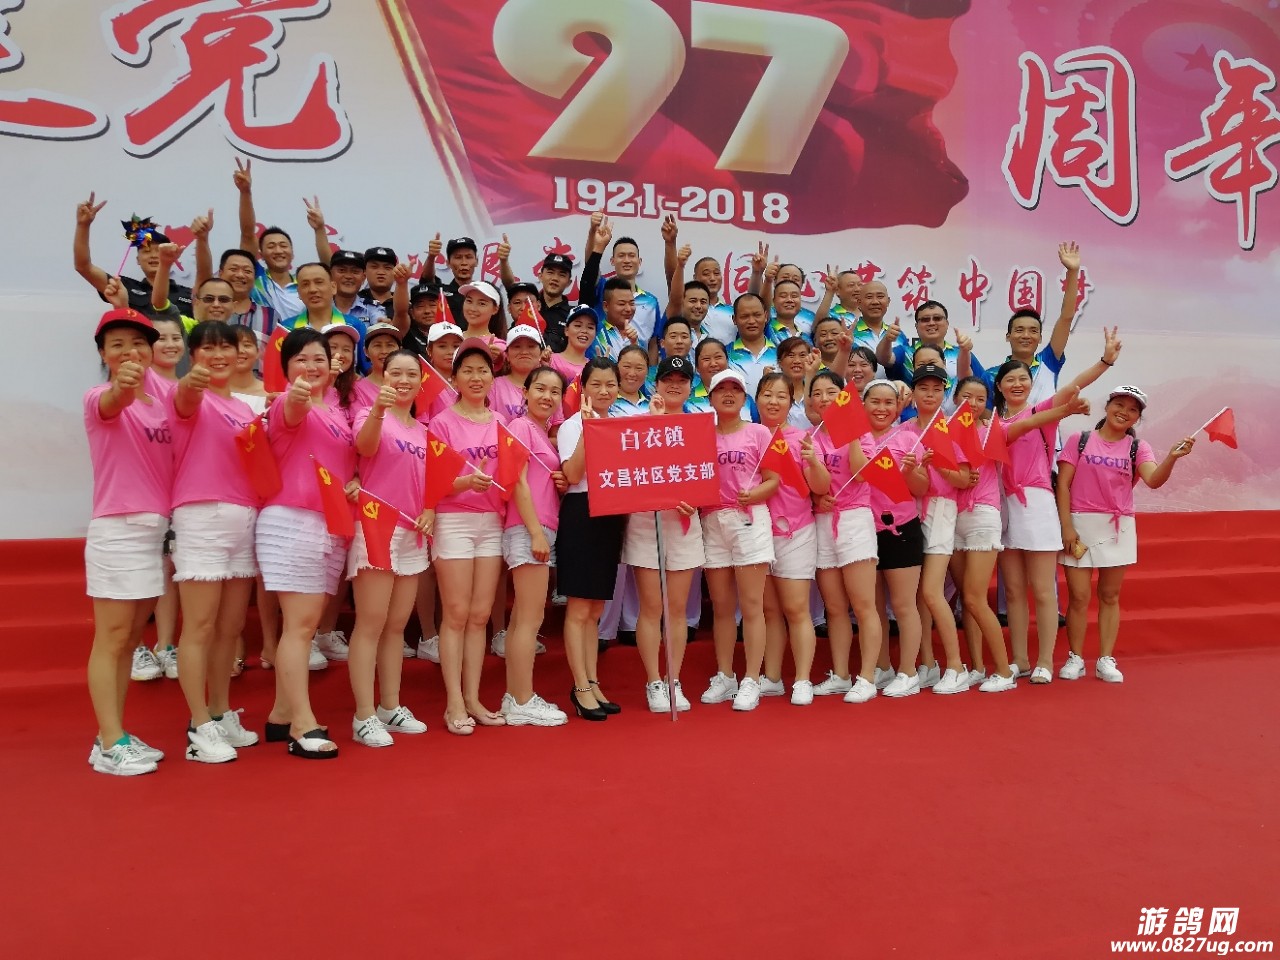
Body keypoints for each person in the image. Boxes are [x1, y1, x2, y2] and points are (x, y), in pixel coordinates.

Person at [996, 327, 1119, 683]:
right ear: (999, 387)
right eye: (1010, 380)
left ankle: (1045, 661)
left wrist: (1105, 361)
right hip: (1005, 505)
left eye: (1023, 379)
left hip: (1036, 504)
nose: (1017, 384)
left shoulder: (1042, 412)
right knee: (1013, 591)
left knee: (1042, 589)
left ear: (1031, 384)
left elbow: (1075, 385)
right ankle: (1020, 658)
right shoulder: (994, 423)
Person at [257, 328, 354, 758]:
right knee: (299, 626)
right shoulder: (286, 403)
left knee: (305, 624)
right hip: (292, 521)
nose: (312, 367)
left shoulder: (335, 411)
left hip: (328, 523)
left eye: (319, 359)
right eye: (302, 359)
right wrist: (296, 393)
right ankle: (302, 723)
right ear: (287, 367)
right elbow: (293, 408)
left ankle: (281, 714)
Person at [168, 321, 261, 761]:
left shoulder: (243, 408)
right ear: (193, 354)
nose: (220, 355)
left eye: (227, 346)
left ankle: (221, 713)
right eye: (208, 348)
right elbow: (186, 395)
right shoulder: (189, 395)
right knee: (200, 625)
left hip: (244, 516)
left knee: (231, 626)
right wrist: (192, 379)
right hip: (202, 514)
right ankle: (198, 723)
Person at [83, 308, 171, 775]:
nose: (130, 352)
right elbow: (114, 399)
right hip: (118, 528)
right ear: (104, 354)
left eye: (138, 343)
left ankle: (112, 733)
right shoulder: (99, 397)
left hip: (156, 532)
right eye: (117, 345)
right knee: (113, 637)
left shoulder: (162, 401)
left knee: (133, 637)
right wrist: (123, 386)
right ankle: (109, 741)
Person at [1057, 387, 1195, 683]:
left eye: (1133, 410)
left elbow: (1153, 480)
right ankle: (1075, 657)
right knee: (1079, 597)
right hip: (1080, 524)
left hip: (1118, 527)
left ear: (1137, 417)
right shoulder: (1080, 440)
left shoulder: (1137, 448)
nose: (1124, 412)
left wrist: (1172, 458)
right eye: (1119, 405)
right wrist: (1066, 525)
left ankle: (1105, 659)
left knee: (1109, 595)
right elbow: (1063, 485)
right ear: (1107, 407)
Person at [345, 349, 433, 746]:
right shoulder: (369, 413)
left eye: (411, 374)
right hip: (376, 525)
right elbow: (364, 449)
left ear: (421, 382)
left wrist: (430, 510)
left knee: (397, 625)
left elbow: (431, 483)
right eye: (395, 372)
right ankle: (363, 715)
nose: (403, 380)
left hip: (412, 531)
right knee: (371, 622)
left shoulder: (424, 431)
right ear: (383, 377)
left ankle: (389, 706)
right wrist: (379, 411)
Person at [430, 339, 507, 734]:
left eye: (483, 370)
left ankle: (474, 698)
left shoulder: (501, 422)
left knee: (480, 616)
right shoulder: (442, 422)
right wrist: (464, 482)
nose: (476, 377)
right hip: (454, 521)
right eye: (468, 370)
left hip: (491, 523)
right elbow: (431, 482)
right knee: (457, 613)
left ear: (492, 377)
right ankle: (454, 702)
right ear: (455, 378)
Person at [699, 371, 779, 711]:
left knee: (751, 605)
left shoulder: (758, 432)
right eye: (721, 389)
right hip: (712, 520)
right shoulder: (701, 435)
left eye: (735, 389)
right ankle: (725, 675)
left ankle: (751, 679)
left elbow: (773, 480)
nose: (728, 394)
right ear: (710, 397)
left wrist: (754, 494)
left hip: (748, 519)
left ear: (744, 398)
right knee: (721, 605)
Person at [557, 358, 628, 719]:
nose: (603, 391)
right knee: (579, 607)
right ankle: (580, 686)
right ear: (583, 388)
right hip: (581, 513)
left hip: (610, 515)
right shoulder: (571, 426)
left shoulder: (619, 425)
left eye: (610, 384)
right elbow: (571, 473)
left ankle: (593, 680)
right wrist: (587, 429)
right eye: (596, 384)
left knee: (596, 608)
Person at [807, 372, 884, 701]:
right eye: (818, 393)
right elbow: (814, 483)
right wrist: (817, 497)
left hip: (854, 521)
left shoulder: (862, 432)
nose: (824, 398)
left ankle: (867, 677)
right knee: (835, 607)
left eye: (831, 392)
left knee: (863, 605)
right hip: (823, 523)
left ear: (843, 397)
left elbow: (862, 473)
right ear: (811, 401)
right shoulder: (811, 437)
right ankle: (840, 674)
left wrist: (851, 433)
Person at [501, 367, 571, 725]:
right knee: (530, 619)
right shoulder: (520, 426)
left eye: (555, 391)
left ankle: (515, 696)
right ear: (525, 393)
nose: (547, 396)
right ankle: (522, 699)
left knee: (522, 619)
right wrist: (534, 533)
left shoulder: (540, 433)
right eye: (540, 389)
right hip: (529, 527)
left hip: (540, 526)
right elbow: (518, 483)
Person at [903, 363, 973, 694]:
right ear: (913, 392)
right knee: (919, 594)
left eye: (936, 389)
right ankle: (928, 664)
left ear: (944, 394)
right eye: (923, 388)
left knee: (932, 591)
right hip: (908, 511)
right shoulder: (903, 430)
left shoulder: (950, 429)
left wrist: (940, 467)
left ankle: (956, 666)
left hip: (941, 510)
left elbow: (963, 480)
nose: (929, 395)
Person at [755, 373, 824, 704]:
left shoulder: (802, 439)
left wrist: (812, 461)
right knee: (769, 610)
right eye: (767, 394)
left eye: (781, 396)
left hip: (795, 530)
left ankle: (802, 679)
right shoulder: (749, 436)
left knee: (796, 608)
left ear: (791, 402)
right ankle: (772, 677)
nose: (773, 402)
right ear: (756, 399)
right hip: (756, 533)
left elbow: (820, 487)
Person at [862, 379, 931, 697]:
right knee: (872, 606)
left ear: (898, 406)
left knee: (904, 605)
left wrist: (909, 472)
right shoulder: (854, 440)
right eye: (874, 401)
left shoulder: (908, 438)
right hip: (863, 531)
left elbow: (921, 488)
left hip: (901, 529)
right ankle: (882, 666)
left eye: (888, 402)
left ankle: (908, 672)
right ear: (863, 405)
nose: (881, 408)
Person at [948, 377, 1017, 692]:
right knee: (966, 598)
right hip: (953, 517)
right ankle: (976, 667)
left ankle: (1003, 671)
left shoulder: (992, 430)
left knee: (975, 598)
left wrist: (1066, 407)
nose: (973, 404)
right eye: (966, 397)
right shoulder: (944, 431)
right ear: (955, 397)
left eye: (980, 399)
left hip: (983, 515)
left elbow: (1031, 421)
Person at [74, 193, 194, 317]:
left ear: (172, 257)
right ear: (138, 259)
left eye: (159, 251)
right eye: (146, 251)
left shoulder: (190, 295)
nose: (153, 255)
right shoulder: (122, 286)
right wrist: (83, 225)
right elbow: (83, 267)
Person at [499, 247, 575, 351]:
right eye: (550, 272)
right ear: (540, 276)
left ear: (569, 282)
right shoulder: (529, 305)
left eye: (562, 275)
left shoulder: (573, 315)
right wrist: (503, 261)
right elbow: (509, 285)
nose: (555, 278)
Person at [490, 325, 543, 423]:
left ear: (541, 353)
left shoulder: (550, 386)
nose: (524, 352)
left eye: (531, 346)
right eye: (517, 346)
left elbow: (555, 428)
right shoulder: (494, 386)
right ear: (507, 355)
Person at [727, 293, 777, 393]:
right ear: (734, 319)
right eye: (744, 316)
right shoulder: (724, 355)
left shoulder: (780, 354)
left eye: (757, 315)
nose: (751, 321)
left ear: (766, 316)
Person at [592, 277, 643, 361]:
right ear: (606, 306)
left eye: (631, 303)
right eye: (621, 304)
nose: (628, 309)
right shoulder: (595, 334)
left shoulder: (635, 335)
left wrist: (634, 344)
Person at [552, 304, 596, 384]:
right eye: (578, 326)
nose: (584, 331)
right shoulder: (550, 361)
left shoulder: (594, 368)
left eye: (590, 327)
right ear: (566, 330)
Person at [401, 280, 442, 359]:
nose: (427, 311)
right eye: (420, 306)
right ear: (412, 312)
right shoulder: (407, 336)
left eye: (432, 305)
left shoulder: (452, 333)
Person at [613, 344, 650, 415]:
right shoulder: (606, 403)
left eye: (639, 368)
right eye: (627, 366)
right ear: (616, 368)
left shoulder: (652, 406)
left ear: (647, 372)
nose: (632, 374)